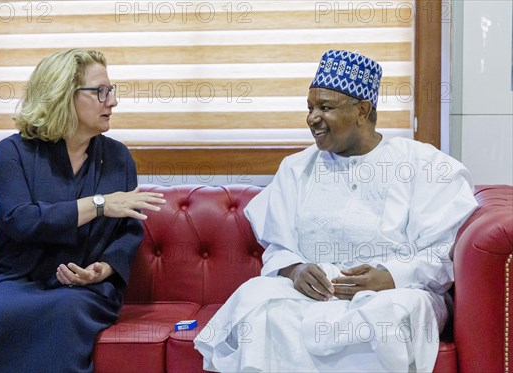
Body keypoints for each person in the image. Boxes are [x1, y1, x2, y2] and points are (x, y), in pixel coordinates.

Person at [194, 50, 479, 372]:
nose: (313, 118)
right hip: (314, 293)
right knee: (257, 301)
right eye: (310, 108)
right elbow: (279, 246)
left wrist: (391, 276)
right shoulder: (296, 168)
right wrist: (295, 269)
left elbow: (441, 253)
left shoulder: (424, 165)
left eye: (325, 107)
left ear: (362, 110)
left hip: (397, 292)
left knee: (387, 314)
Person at [0, 49, 166, 372]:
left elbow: (128, 231)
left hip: (82, 289)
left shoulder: (119, 158)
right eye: (101, 92)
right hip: (13, 280)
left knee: (66, 311)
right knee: (3, 312)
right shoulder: (11, 153)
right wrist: (99, 205)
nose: (112, 101)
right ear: (63, 96)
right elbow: (20, 220)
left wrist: (102, 269)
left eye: (111, 91)